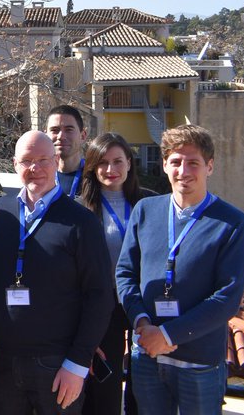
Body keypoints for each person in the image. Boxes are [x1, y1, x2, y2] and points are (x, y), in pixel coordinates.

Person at [116, 125, 244, 415]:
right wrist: (141, 322)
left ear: (210, 166)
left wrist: (166, 335)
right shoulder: (145, 210)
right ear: (164, 165)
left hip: (199, 361)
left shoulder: (233, 223)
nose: (184, 170)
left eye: (193, 162)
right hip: (147, 355)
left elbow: (227, 298)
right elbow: (125, 273)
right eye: (176, 162)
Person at [0, 131, 114, 415]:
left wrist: (77, 364)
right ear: (15, 164)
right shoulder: (1, 212)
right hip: (3, 361)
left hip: (57, 363)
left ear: (56, 161)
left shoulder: (81, 221)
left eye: (43, 160)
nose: (35, 169)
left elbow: (100, 295)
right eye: (27, 161)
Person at [76, 134, 153, 415]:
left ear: (130, 164)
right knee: (105, 377)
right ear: (93, 168)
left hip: (140, 301)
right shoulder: (80, 208)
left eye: (118, 161)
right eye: (103, 163)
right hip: (102, 303)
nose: (111, 170)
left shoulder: (151, 204)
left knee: (143, 375)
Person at [46, 105, 88, 199]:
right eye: (55, 130)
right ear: (45, 135)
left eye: (69, 130)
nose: (61, 136)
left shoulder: (95, 178)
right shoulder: (40, 177)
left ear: (83, 136)